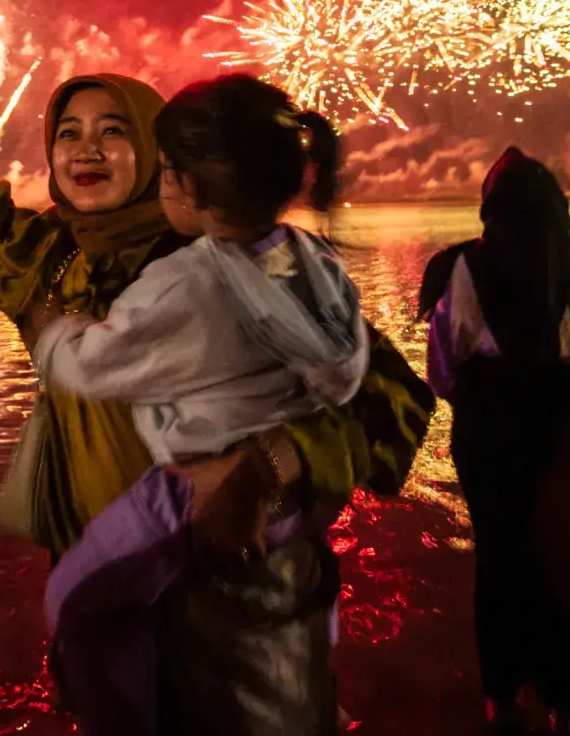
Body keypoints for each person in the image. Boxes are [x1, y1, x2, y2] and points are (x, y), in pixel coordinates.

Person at [0, 1, 436, 734]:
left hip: (238, 597)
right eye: (67, 132)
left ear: (163, 155)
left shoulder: (245, 266)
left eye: (113, 131)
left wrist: (280, 459)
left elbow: (395, 396)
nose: (85, 149)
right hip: (110, 587)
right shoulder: (47, 261)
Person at [31, 75, 368, 736]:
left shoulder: (181, 280)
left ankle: (114, 712)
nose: (85, 151)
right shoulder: (314, 262)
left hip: (184, 492)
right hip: (296, 517)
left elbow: (95, 361)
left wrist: (49, 333)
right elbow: (348, 372)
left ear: (188, 185)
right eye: (68, 133)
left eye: (160, 170)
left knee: (70, 598)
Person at [418, 147, 570, 736]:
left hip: (489, 435)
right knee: (564, 563)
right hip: (561, 436)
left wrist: (484, 398)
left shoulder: (456, 267)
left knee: (499, 563)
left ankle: (502, 698)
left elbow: (443, 369)